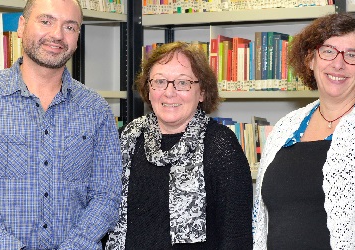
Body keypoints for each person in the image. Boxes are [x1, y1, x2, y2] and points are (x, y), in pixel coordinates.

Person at [0, 0, 123, 249]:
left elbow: (107, 196)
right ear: (22, 26)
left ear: (78, 37)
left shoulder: (96, 109)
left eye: (69, 27)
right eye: (46, 21)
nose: (57, 35)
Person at [252, 13, 355, 249]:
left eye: (352, 55)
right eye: (328, 51)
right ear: (311, 59)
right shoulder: (285, 127)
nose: (338, 63)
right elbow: (262, 221)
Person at [105, 42, 253, 249]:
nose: (169, 92)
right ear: (148, 89)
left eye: (183, 83)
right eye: (160, 81)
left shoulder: (220, 146)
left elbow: (236, 237)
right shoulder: (125, 139)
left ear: (202, 92)